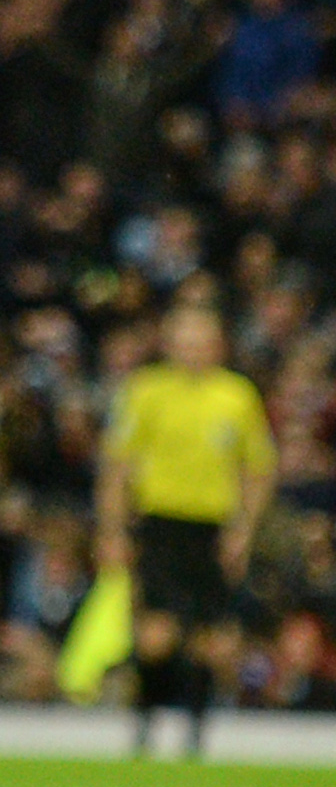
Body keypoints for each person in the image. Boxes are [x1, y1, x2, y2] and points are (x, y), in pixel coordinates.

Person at [100, 293, 277, 757]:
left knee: (210, 642)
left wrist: (243, 530)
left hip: (212, 529)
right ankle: (144, 722)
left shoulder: (237, 396)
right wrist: (114, 530)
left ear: (218, 345)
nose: (193, 348)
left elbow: (258, 469)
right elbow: (118, 466)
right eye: (184, 340)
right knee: (156, 638)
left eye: (202, 340)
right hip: (160, 525)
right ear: (169, 343)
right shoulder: (146, 390)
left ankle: (195, 736)